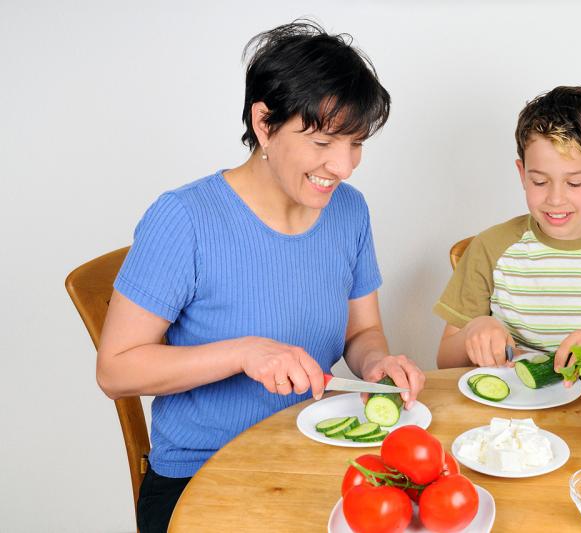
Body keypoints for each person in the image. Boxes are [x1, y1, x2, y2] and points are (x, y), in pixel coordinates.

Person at [96, 21, 426, 533]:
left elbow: (361, 332)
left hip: (315, 454)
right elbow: (115, 371)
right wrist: (243, 352)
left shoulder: (349, 212)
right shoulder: (184, 219)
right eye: (323, 142)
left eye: (355, 143)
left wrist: (377, 364)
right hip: (203, 475)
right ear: (265, 122)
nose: (344, 166)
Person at [434, 86, 581, 374]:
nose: (556, 199)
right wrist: (474, 331)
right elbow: (444, 360)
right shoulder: (490, 247)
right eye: (540, 182)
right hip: (511, 412)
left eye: (574, 183)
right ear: (522, 174)